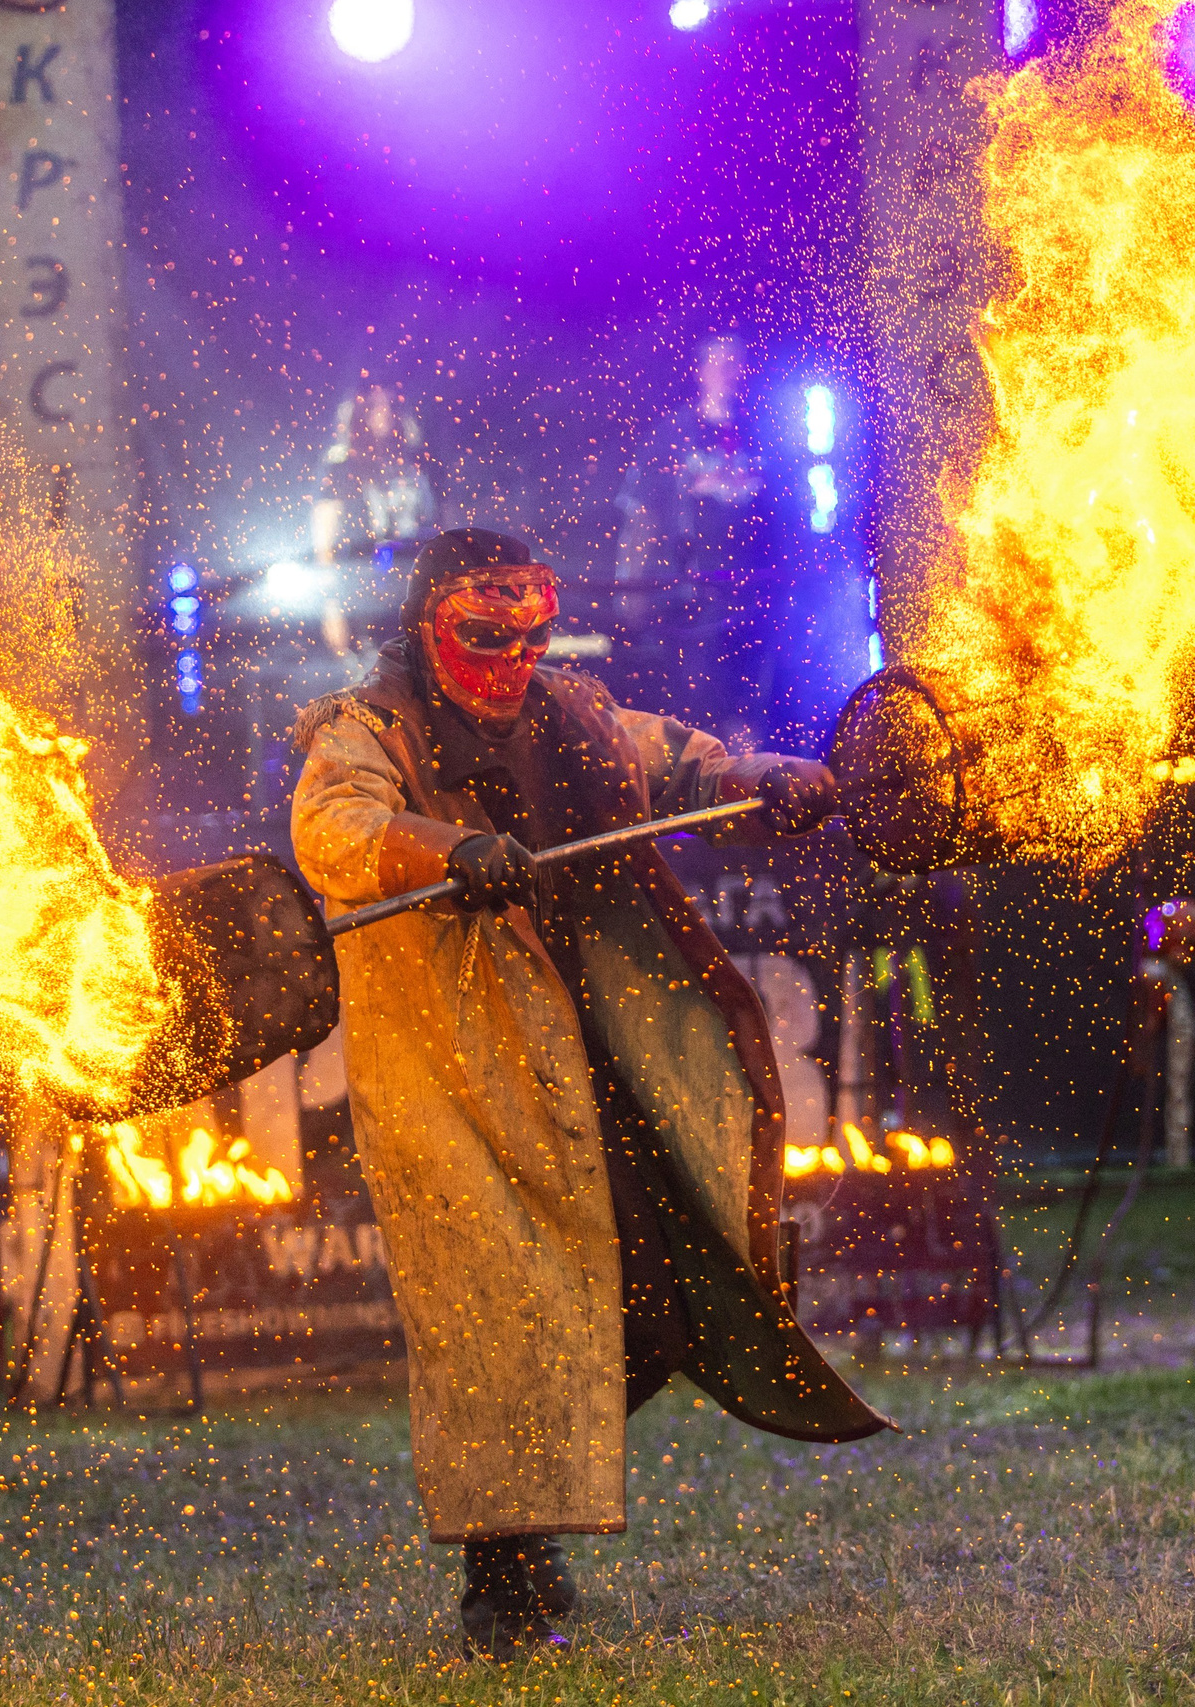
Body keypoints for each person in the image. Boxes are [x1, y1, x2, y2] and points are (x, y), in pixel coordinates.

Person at [288, 527, 888, 1660]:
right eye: (483, 635)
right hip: (458, 1082)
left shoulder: (571, 712)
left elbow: (676, 760)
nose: (511, 658)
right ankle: (500, 1581)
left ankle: (526, 1526)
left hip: (582, 1060)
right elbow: (335, 830)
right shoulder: (363, 729)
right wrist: (447, 850)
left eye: (530, 635)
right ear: (426, 625)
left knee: (646, 1311)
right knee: (502, 1323)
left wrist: (758, 777)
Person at [612, 334, 780, 746]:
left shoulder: (762, 432)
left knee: (753, 701)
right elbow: (642, 514)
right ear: (700, 371)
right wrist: (631, 587)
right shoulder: (674, 433)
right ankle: (708, 774)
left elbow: (786, 511)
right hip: (692, 596)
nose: (727, 372)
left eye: (735, 363)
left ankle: (750, 773)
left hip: (754, 591)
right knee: (700, 702)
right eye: (718, 363)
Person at [311, 382, 443, 654]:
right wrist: (331, 606)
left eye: (390, 405)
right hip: (364, 594)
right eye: (374, 406)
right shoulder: (343, 467)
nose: (384, 413)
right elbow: (325, 539)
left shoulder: (421, 462)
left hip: (420, 591)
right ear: (360, 413)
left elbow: (447, 527)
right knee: (374, 666)